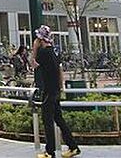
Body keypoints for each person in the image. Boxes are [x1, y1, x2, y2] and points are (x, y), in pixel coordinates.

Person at [34, 25, 80, 158]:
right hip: (56, 90)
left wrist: (35, 48)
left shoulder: (43, 53)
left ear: (40, 39)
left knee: (47, 120)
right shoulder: (55, 51)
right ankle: (73, 147)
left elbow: (33, 63)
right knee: (59, 118)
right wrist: (60, 87)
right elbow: (60, 70)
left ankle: (50, 152)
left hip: (48, 90)